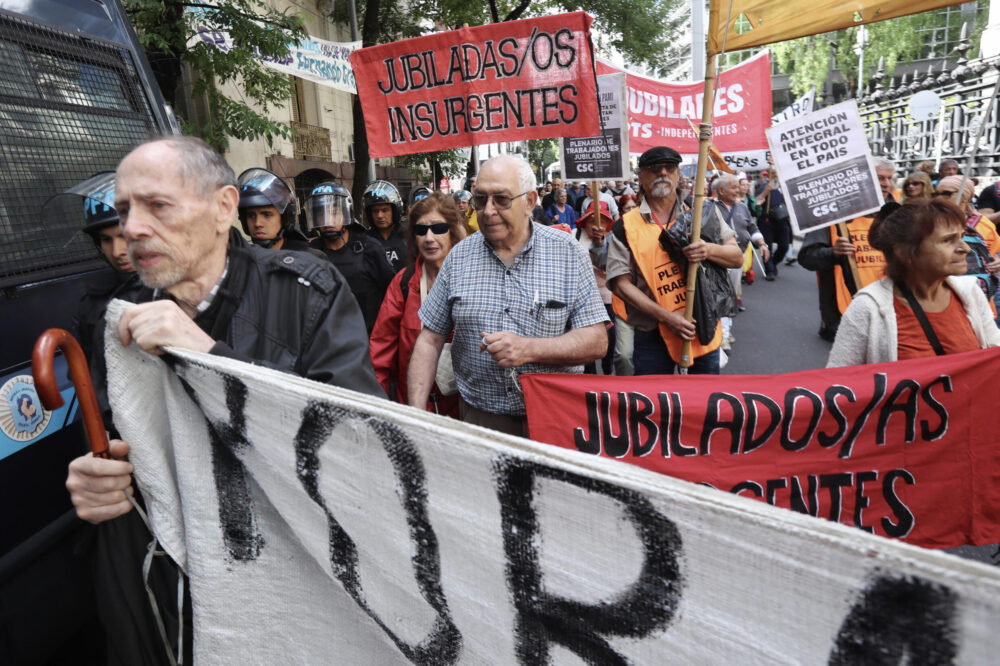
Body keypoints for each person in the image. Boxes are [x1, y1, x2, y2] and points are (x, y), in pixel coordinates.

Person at [64, 135, 382, 663]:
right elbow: (121, 449)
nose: (132, 228)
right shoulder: (117, 317)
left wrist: (213, 357)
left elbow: (356, 450)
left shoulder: (306, 292)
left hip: (294, 592)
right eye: (124, 211)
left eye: (158, 206)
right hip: (182, 597)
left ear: (222, 208)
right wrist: (101, 484)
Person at [407, 155, 608, 436]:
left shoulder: (567, 253)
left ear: (529, 201)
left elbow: (596, 341)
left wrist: (528, 349)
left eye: (501, 199)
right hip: (481, 422)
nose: (487, 211)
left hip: (557, 420)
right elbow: (429, 339)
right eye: (480, 199)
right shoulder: (459, 257)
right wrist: (415, 416)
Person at [607, 146, 743, 375]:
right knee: (655, 405)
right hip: (652, 332)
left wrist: (708, 250)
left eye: (669, 167)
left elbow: (736, 257)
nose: (662, 173)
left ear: (678, 174)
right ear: (640, 176)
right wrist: (667, 317)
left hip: (703, 326)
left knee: (705, 402)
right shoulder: (625, 225)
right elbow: (621, 284)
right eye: (654, 168)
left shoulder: (703, 211)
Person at [828, 198, 1000, 367]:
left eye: (961, 237)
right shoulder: (868, 307)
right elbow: (838, 384)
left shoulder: (970, 292)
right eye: (947, 240)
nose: (965, 248)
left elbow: (993, 353)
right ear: (904, 252)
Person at [370, 193, 465, 417]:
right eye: (421, 230)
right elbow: (380, 353)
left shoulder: (473, 279)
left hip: (465, 412)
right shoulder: (403, 283)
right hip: (414, 409)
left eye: (438, 228)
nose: (429, 238)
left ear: (453, 232)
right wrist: (377, 408)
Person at [800, 159, 898, 341]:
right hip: (844, 312)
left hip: (890, 308)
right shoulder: (831, 214)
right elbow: (807, 257)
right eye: (880, 178)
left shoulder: (896, 214)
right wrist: (833, 252)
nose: (886, 184)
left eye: (889, 179)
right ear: (861, 180)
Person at [305, 181, 396, 333]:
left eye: (334, 212)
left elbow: (393, 294)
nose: (328, 220)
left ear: (346, 213)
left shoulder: (369, 248)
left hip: (369, 338)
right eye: (322, 213)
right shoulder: (310, 252)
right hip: (328, 339)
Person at [709, 174, 770, 349]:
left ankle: (725, 331)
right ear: (721, 190)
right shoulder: (708, 208)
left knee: (731, 296)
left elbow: (752, 228)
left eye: (738, 187)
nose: (738, 190)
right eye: (734, 187)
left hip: (738, 259)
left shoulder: (743, 208)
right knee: (717, 296)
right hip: (715, 259)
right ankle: (721, 334)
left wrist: (762, 244)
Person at [575, 202, 615, 374]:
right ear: (584, 222)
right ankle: (590, 381)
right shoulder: (573, 235)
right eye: (592, 220)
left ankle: (607, 377)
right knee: (586, 345)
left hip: (607, 299)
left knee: (610, 341)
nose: (597, 225)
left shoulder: (614, 239)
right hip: (582, 301)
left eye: (602, 220)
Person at [236, 167, 312, 252]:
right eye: (251, 216)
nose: (257, 223)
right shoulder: (240, 261)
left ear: (285, 219)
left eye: (267, 215)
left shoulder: (310, 260)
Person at [363, 179, 407, 272]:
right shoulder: (364, 241)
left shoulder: (408, 236)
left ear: (395, 211)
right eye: (375, 211)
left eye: (385, 210)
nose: (380, 216)